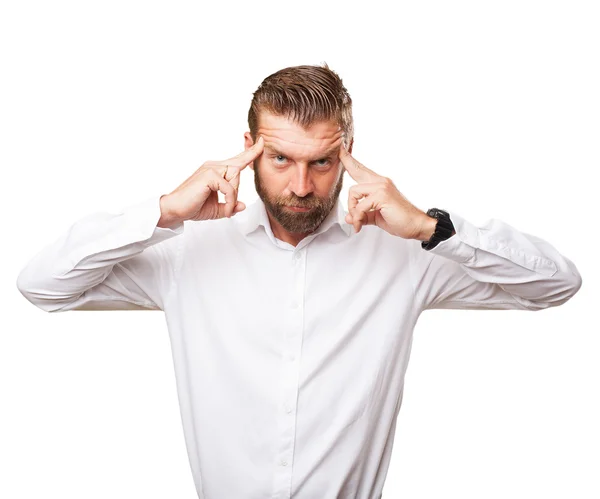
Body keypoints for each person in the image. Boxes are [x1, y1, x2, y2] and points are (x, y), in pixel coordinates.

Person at [16, 63, 582, 499]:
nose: (303, 187)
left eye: (321, 163)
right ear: (248, 151)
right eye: (281, 160)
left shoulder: (403, 252)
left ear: (348, 154)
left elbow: (556, 284)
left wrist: (433, 228)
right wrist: (163, 212)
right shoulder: (185, 250)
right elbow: (43, 286)